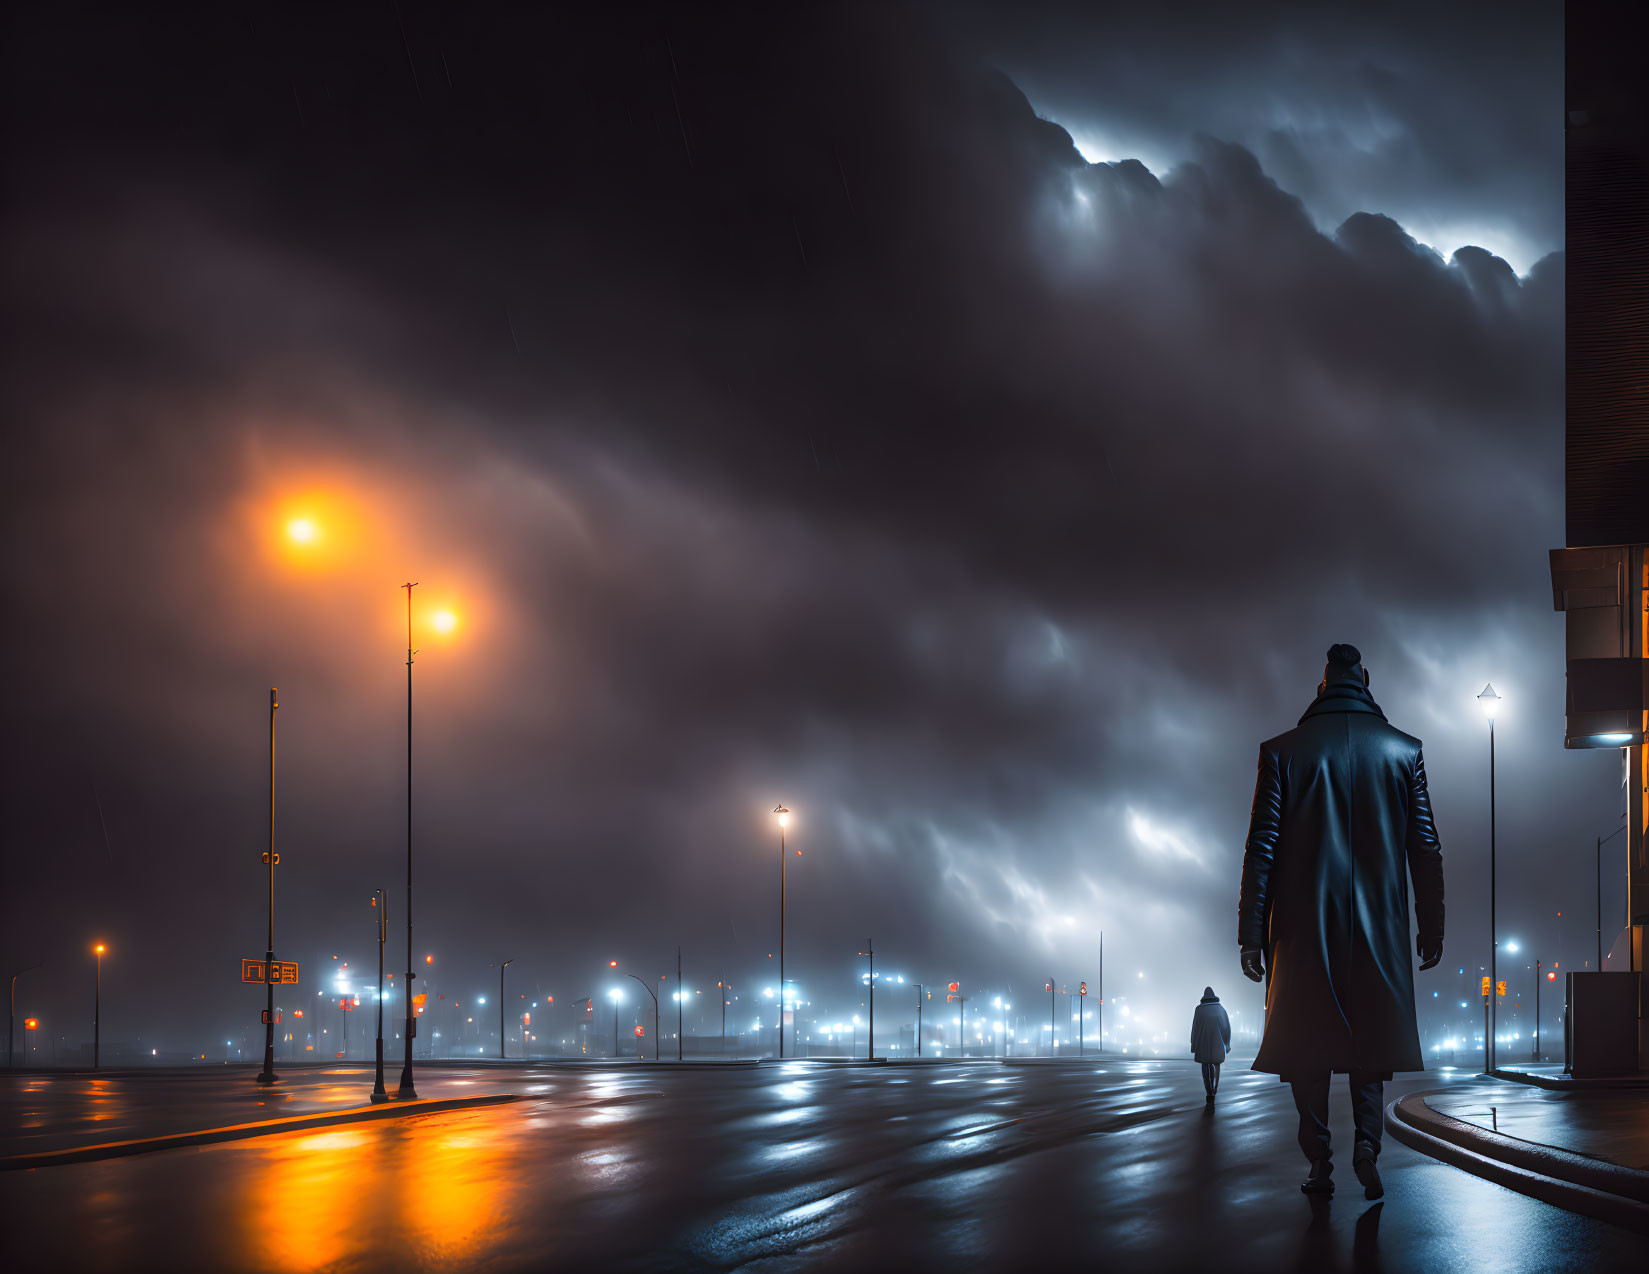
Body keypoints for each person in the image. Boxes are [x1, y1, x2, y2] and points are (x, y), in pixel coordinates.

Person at [1238, 643, 1445, 1201]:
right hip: (1379, 922)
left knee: (1307, 1049)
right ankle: (1368, 1146)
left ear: (1322, 683)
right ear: (1367, 682)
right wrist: (1432, 926)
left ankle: (1320, 1162)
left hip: (1304, 929)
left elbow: (1262, 847)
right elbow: (1424, 847)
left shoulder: (1282, 752)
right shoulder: (1405, 752)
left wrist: (1251, 931)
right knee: (1370, 1045)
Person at [1191, 986, 1231, 1105]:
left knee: (1205, 1067)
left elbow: (1195, 1028)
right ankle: (1215, 1089)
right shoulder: (1220, 1009)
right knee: (1216, 1065)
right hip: (1217, 1042)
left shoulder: (1198, 1009)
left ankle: (1208, 1092)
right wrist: (1227, 1043)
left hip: (1202, 1042)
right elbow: (1226, 1028)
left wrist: (1194, 1044)